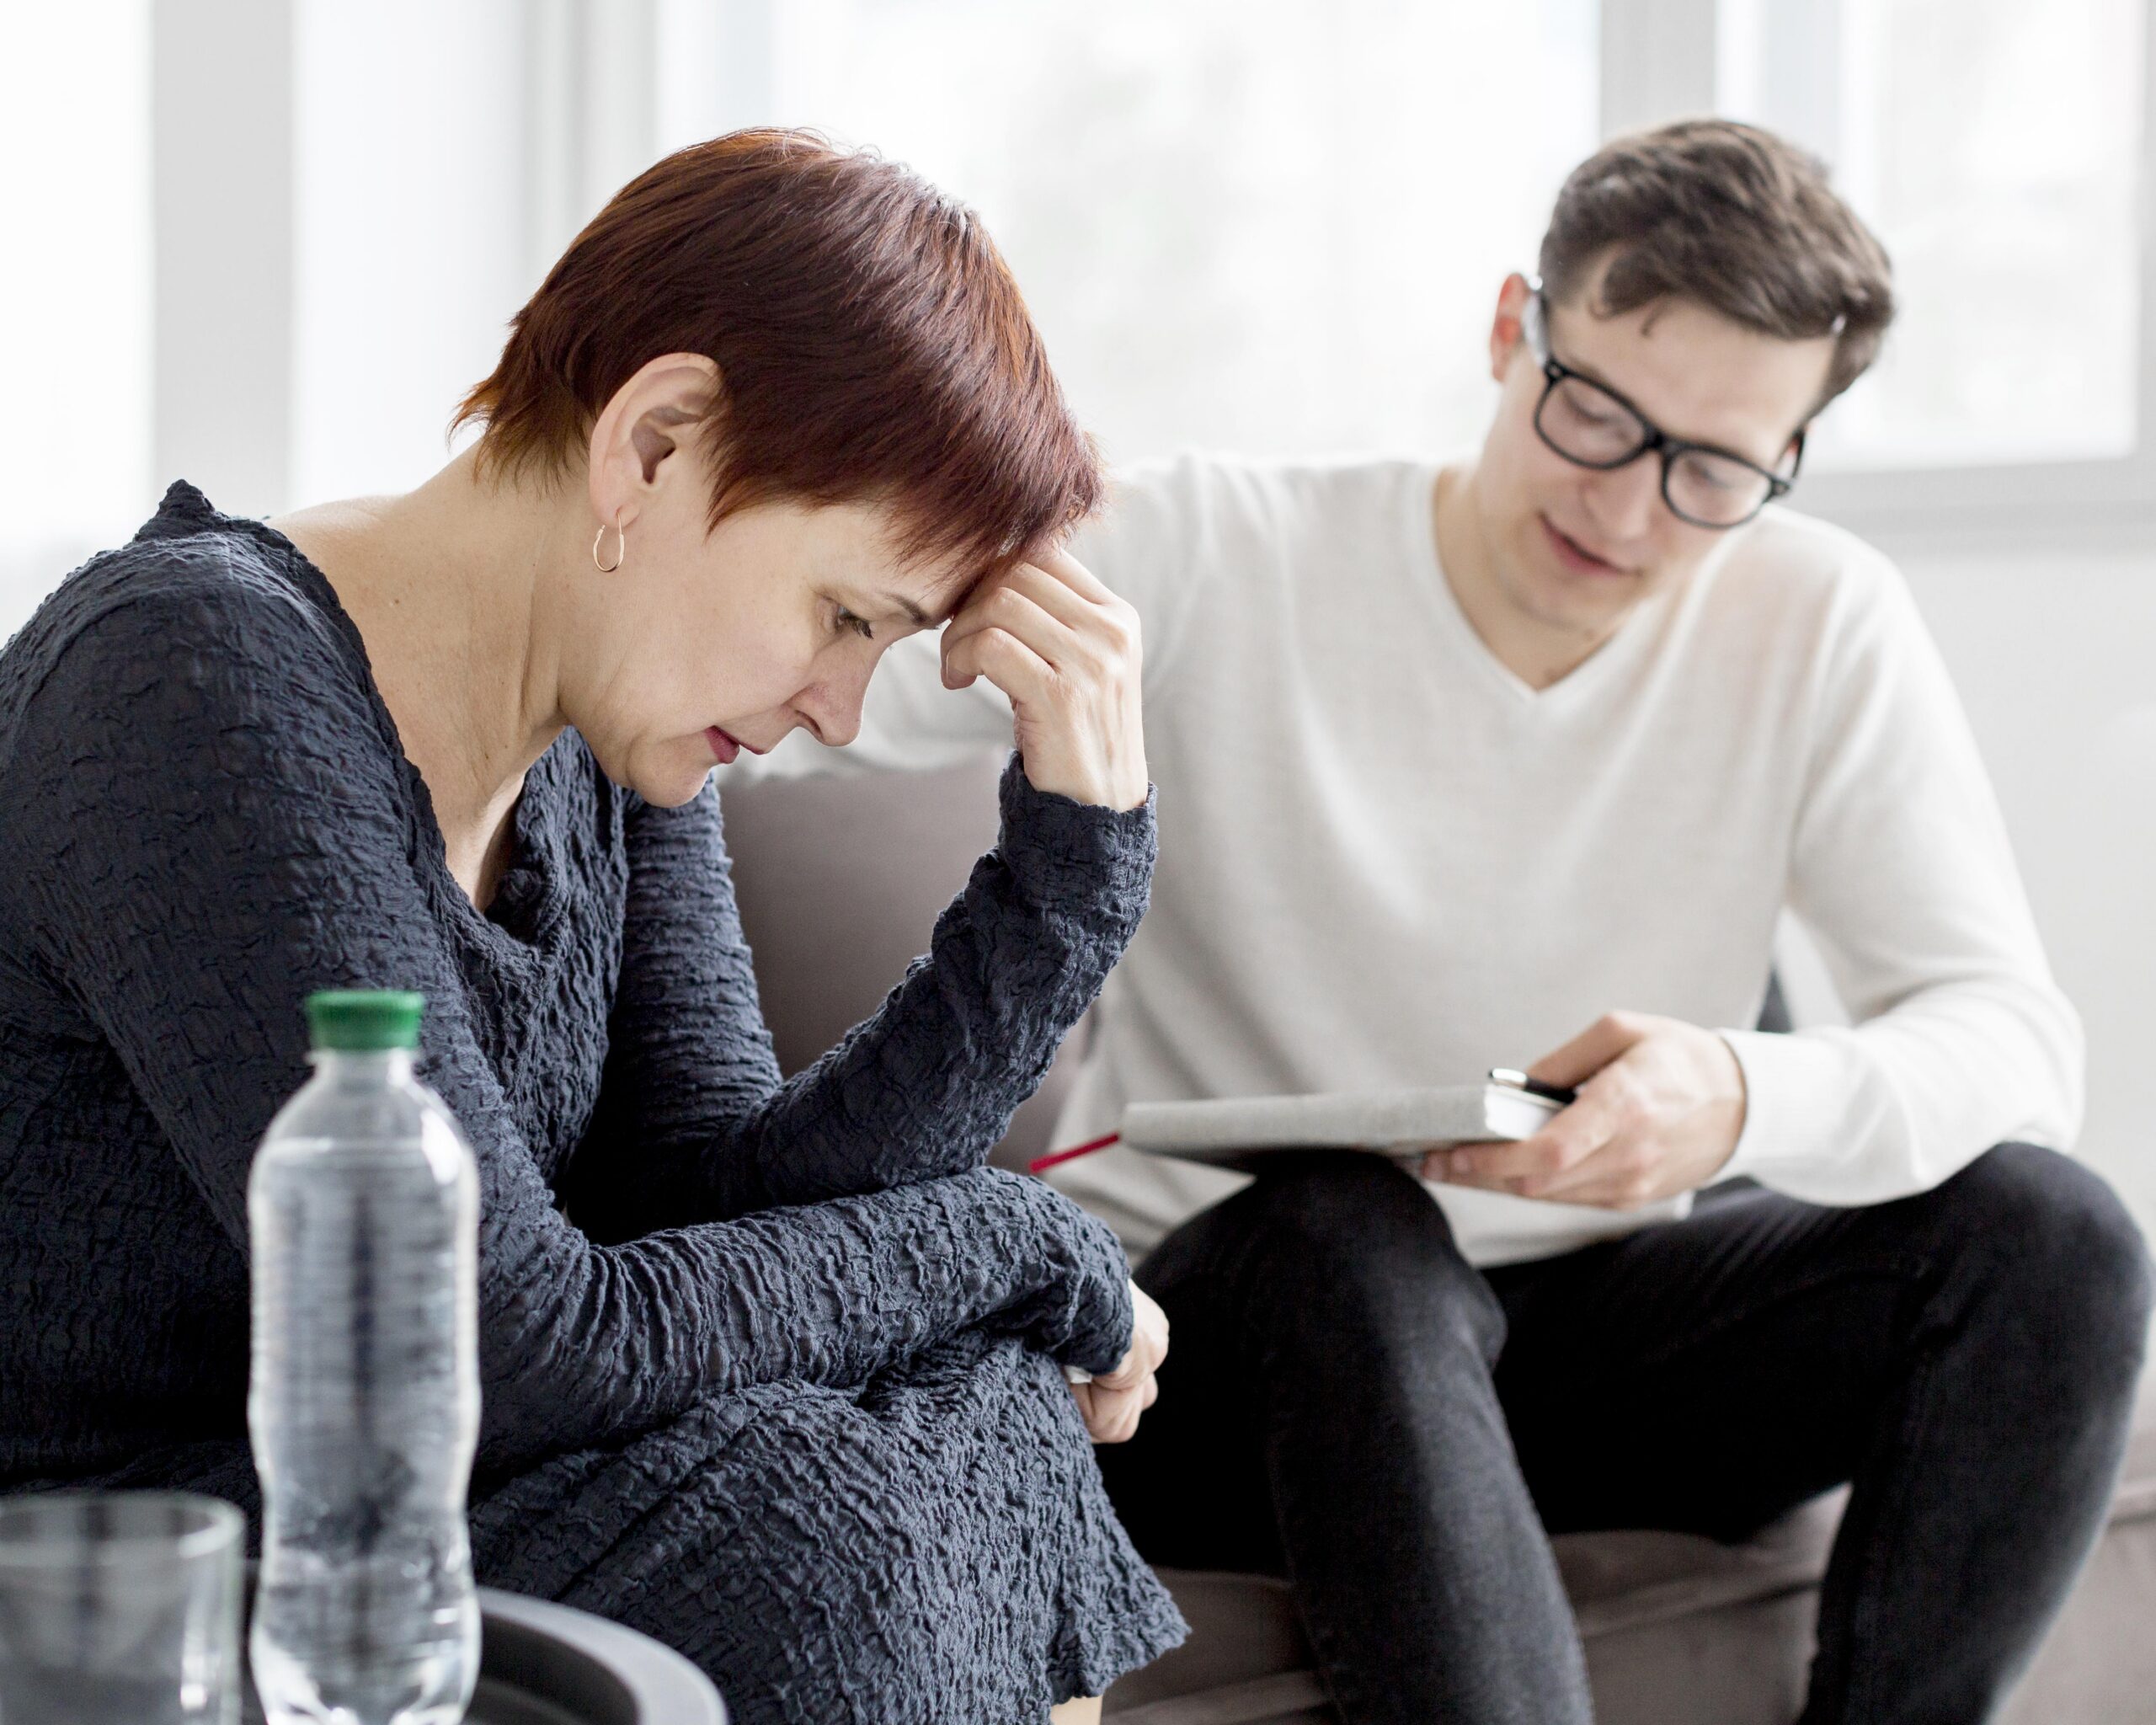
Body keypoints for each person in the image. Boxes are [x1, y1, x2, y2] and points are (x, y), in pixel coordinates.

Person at [731, 120, 2154, 1722]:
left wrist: (1742, 1097)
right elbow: (804, 676)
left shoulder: (1819, 624)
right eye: (1597, 414)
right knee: (1355, 1232)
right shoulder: (1215, 545)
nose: (1629, 508)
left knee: (2059, 1237)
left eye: (1717, 472)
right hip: (1227, 1342)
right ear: (1511, 329)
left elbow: (2016, 1043)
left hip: (1580, 1348)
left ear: (1794, 459)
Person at [0, 130, 1185, 1725]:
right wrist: (1021, 1239)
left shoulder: (610, 746)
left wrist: (1072, 868)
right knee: (822, 1535)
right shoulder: (193, 676)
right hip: (128, 1550)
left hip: (431, 1492)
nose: (838, 710)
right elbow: (519, 1338)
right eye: (845, 617)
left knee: (986, 1401)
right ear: (656, 443)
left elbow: (722, 1220)